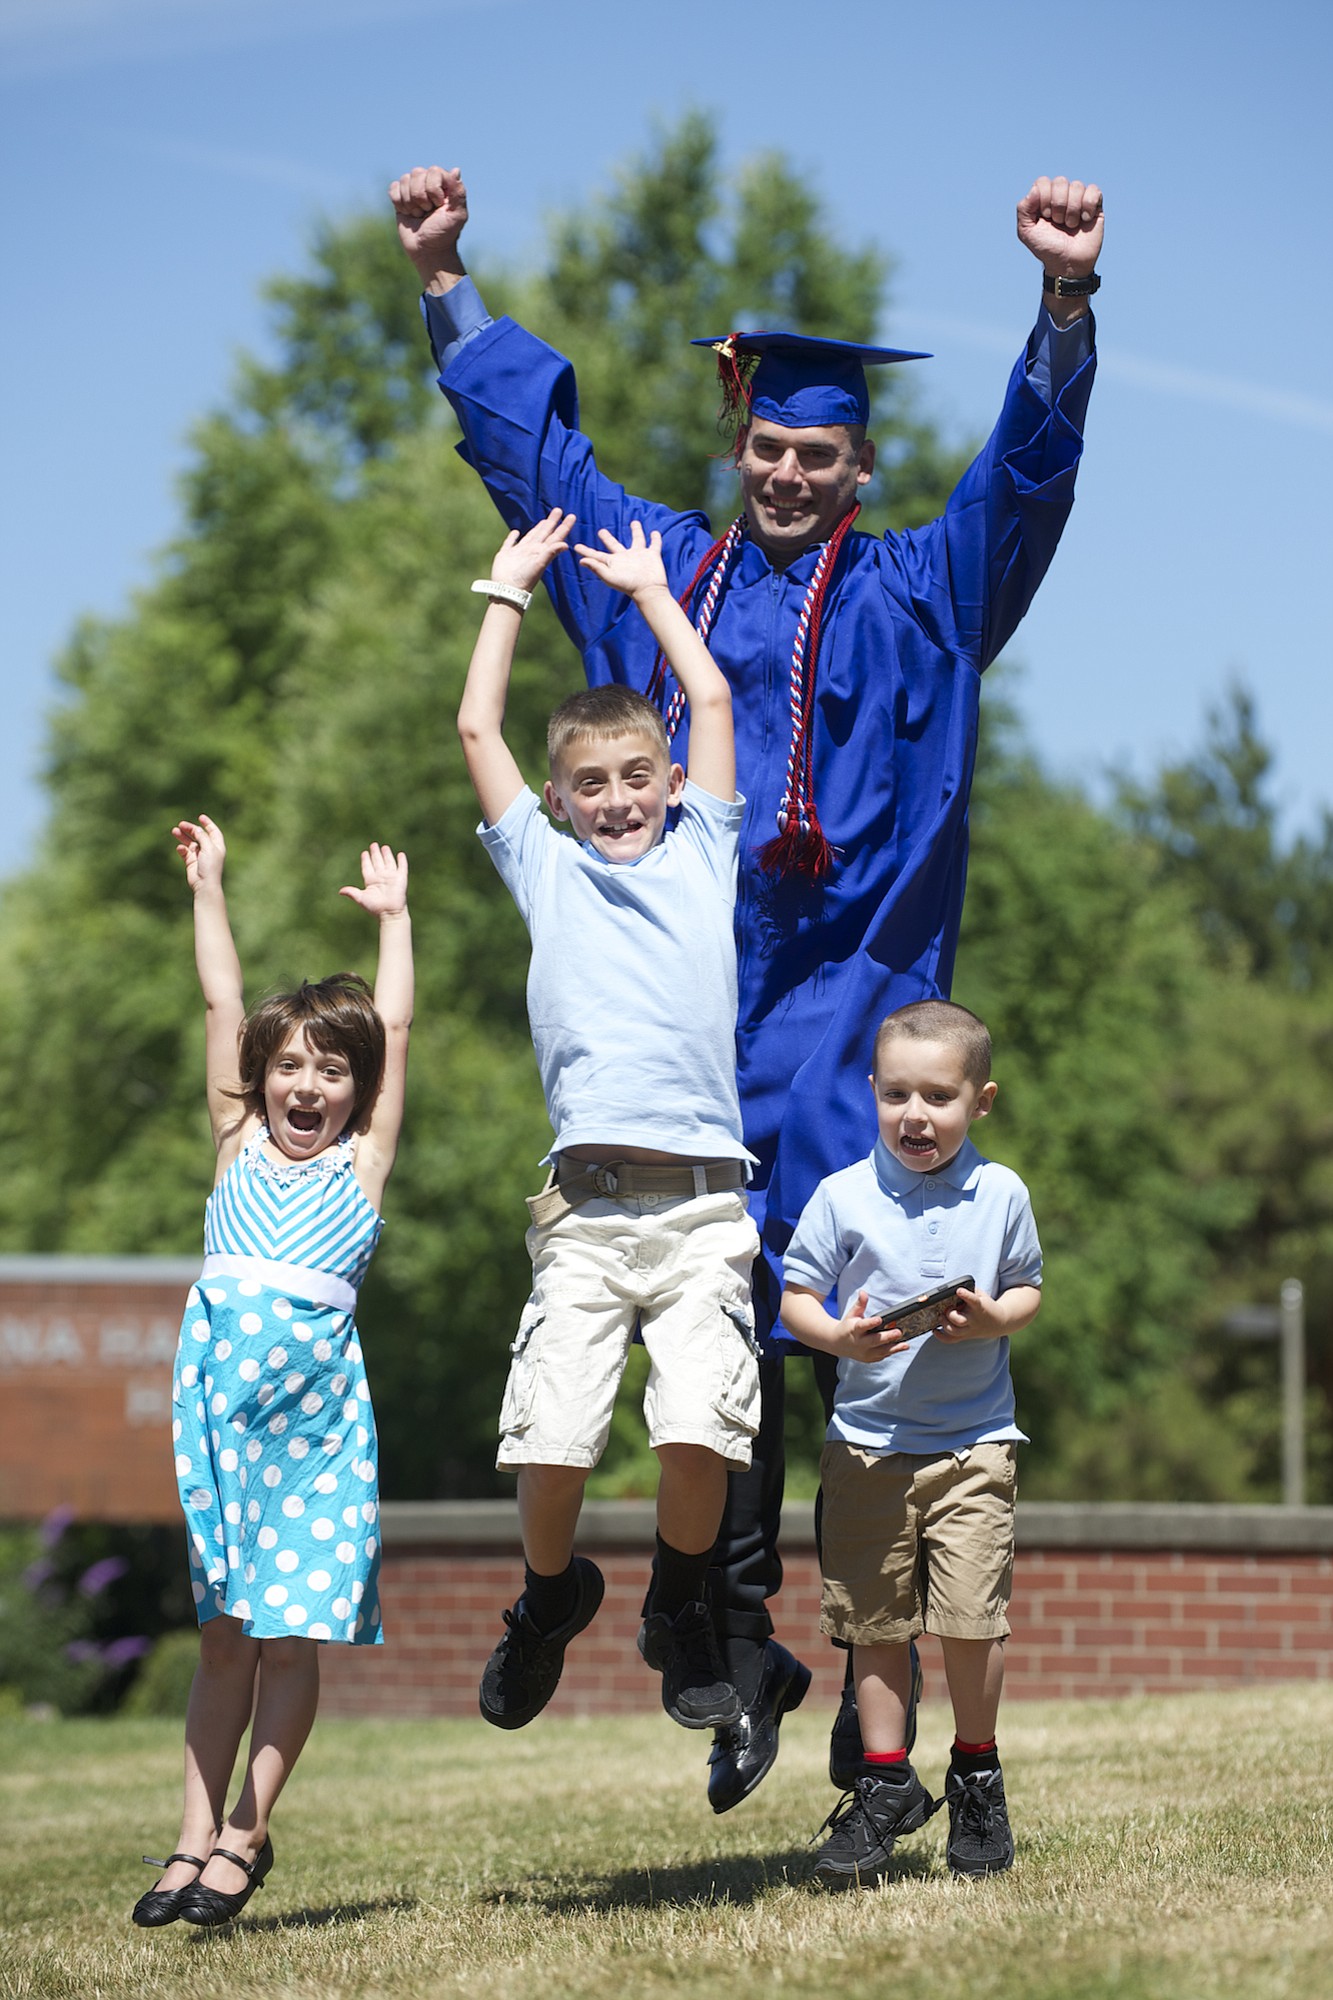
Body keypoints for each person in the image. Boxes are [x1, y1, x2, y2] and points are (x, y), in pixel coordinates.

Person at [390, 161, 1101, 1807]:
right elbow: (535, 465)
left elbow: (1030, 478)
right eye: (767, 450)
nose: (787, 474)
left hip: (853, 1029)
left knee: (833, 1341)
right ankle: (724, 1647)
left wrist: (1060, 307)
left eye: (816, 455)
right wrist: (447, 287)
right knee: (709, 1337)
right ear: (740, 449)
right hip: (692, 1049)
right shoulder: (656, 573)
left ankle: (827, 1700)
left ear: (857, 464)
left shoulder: (928, 591)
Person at [458, 508, 763, 1735]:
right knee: (555, 1438)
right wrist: (506, 589)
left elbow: (714, 696)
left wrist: (650, 593)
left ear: (671, 782)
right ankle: (547, 1597)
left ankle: (679, 1602)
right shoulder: (544, 867)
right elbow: (476, 724)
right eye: (592, 782)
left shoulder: (705, 853)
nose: (619, 796)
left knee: (699, 1424)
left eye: (638, 775)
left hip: (699, 1204)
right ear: (558, 797)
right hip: (584, 1209)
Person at [132, 815, 412, 1929]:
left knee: (288, 1634)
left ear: (356, 1087)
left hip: (315, 1434)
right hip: (222, 1428)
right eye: (289, 1063)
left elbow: (392, 1018)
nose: (307, 1082)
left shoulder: (363, 1163)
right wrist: (210, 888)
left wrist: (394, 924)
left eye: (330, 1068)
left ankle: (245, 1837)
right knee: (222, 1635)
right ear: (259, 1075)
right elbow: (217, 999)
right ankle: (189, 1839)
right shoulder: (236, 1141)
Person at [780, 1000, 1041, 1888]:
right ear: (872, 1095)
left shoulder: (1001, 1192)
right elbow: (795, 1301)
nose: (914, 1115)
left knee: (971, 1620)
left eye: (938, 1095)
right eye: (896, 1094)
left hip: (974, 1445)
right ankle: (885, 1783)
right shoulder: (839, 1196)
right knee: (875, 1625)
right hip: (865, 1448)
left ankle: (976, 1772)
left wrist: (991, 1319)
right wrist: (839, 1340)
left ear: (981, 1100)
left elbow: (1025, 1292)